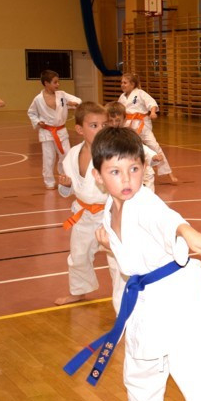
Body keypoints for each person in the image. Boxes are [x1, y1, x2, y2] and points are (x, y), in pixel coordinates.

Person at [66, 126, 201, 401]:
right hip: (144, 300)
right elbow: (133, 254)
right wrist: (110, 244)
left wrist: (187, 233)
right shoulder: (110, 209)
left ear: (144, 167)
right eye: (115, 172)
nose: (127, 179)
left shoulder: (145, 204)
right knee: (140, 368)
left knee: (200, 378)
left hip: (180, 301)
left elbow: (166, 219)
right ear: (98, 176)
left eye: (134, 169)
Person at [55, 102, 124, 307]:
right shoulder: (72, 154)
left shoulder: (113, 153)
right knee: (78, 256)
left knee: (117, 259)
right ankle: (79, 291)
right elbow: (71, 190)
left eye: (104, 125)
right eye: (94, 126)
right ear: (79, 129)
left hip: (109, 214)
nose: (100, 130)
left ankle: (124, 300)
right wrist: (66, 186)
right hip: (83, 214)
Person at [117, 73, 177, 184]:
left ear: (132, 84)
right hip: (128, 126)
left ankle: (169, 173)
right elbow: (118, 110)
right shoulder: (122, 97)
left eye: (125, 83)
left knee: (154, 146)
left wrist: (153, 112)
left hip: (142, 125)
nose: (122, 85)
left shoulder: (140, 93)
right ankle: (128, 172)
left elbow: (152, 103)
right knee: (128, 148)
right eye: (121, 82)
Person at [27, 70, 81, 190]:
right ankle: (49, 182)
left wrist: (74, 103)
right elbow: (31, 113)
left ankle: (65, 178)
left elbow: (78, 100)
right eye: (55, 82)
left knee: (66, 155)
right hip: (47, 132)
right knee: (49, 158)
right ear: (46, 83)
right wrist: (37, 122)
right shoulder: (38, 99)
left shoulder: (62, 95)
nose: (58, 85)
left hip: (61, 131)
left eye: (58, 82)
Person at [105, 101, 162, 191]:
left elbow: (140, 147)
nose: (114, 124)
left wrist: (152, 156)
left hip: (133, 170)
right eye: (110, 121)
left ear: (124, 120)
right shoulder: (104, 137)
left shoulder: (128, 135)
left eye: (118, 120)